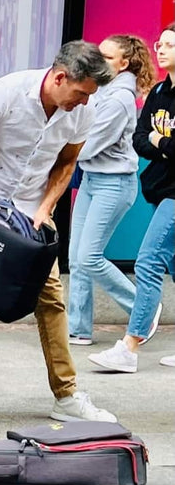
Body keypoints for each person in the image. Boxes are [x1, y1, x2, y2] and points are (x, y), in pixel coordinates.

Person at [0, 40, 118, 430]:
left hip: (31, 207)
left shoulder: (84, 110)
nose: (85, 102)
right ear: (60, 77)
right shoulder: (9, 92)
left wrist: (46, 209)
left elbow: (66, 163)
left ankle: (66, 396)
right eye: (81, 93)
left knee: (51, 298)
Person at [88, 23, 175, 374]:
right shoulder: (159, 92)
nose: (161, 49)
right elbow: (139, 139)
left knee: (149, 262)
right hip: (159, 188)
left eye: (170, 45)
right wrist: (161, 144)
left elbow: (157, 142)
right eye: (160, 43)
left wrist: (159, 141)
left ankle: (130, 346)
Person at [68, 35, 157, 345]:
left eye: (107, 57)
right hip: (92, 180)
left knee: (89, 256)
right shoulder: (102, 89)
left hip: (114, 183)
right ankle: (78, 328)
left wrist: (57, 152)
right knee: (76, 258)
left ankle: (143, 308)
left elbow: (90, 145)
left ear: (124, 64)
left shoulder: (119, 99)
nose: (99, 60)